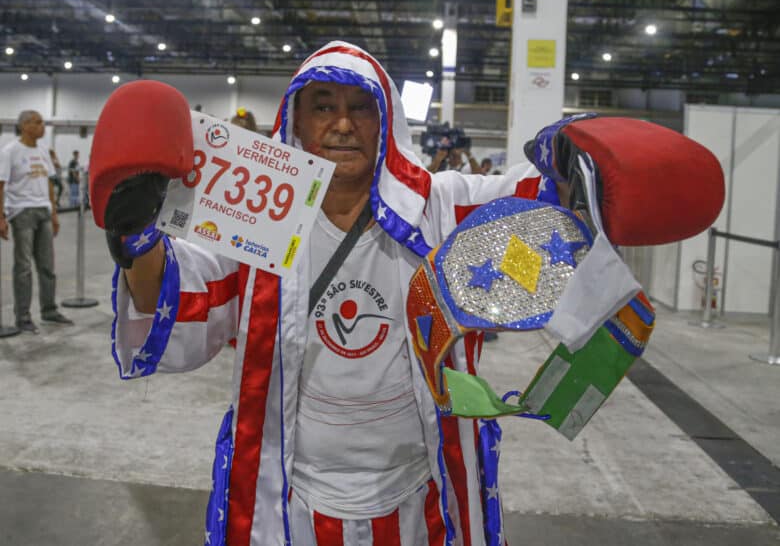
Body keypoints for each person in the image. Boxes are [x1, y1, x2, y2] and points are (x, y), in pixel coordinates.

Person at [90, 41, 724, 546]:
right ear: (297, 118)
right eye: (322, 105)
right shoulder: (258, 220)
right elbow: (182, 301)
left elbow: (545, 211)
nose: (341, 124)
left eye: (359, 107)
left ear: (384, 117)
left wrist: (583, 161)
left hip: (422, 494)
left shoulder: (441, 207)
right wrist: (133, 239)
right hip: (291, 493)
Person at [0, 110, 73, 333]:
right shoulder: (10, 151)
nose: (42, 126)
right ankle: (22, 316)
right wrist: (1, 216)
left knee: (47, 265)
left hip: (43, 211)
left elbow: (49, 183)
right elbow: (1, 184)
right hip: (22, 212)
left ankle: (49, 310)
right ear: (24, 126)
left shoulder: (42, 150)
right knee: (23, 267)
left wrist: (53, 212)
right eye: (37, 122)